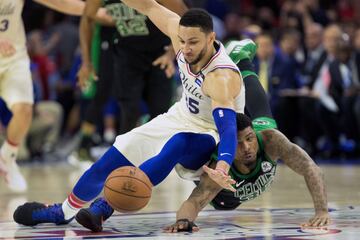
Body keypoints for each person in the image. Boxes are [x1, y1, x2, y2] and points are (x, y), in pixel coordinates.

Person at [14, 6, 245, 226]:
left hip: (212, 135)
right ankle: (64, 211)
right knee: (118, 151)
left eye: (193, 42)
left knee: (179, 142)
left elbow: (228, 129)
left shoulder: (220, 77)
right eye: (182, 41)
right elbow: (148, 6)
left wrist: (223, 167)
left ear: (211, 37)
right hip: (180, 116)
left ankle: (105, 205)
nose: (185, 49)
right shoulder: (181, 38)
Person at [0, 0, 109, 192]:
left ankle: (8, 157)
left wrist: (92, 11)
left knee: (24, 110)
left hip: (13, 59)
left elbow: (59, 2)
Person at [163, 113, 330, 232]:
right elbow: (194, 202)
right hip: (224, 202)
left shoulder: (271, 141)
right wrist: (183, 221)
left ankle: (242, 65)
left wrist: (322, 210)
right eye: (238, 143)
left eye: (250, 138)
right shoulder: (218, 172)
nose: (247, 148)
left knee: (252, 88)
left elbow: (310, 167)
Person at [74, 0, 187, 162]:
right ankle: (120, 159)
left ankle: (155, 157)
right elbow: (87, 18)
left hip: (159, 54)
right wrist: (86, 62)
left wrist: (171, 52)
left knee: (160, 110)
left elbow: (185, 16)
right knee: (129, 109)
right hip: (127, 53)